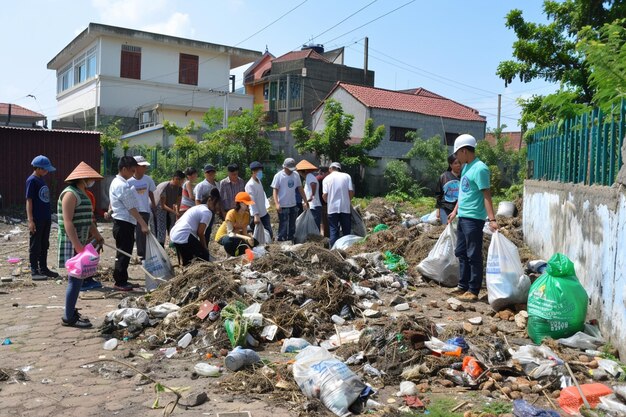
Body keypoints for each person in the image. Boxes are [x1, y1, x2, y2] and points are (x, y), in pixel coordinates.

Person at [448, 134, 499, 301]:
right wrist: (455, 210)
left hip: (474, 219)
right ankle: (463, 286)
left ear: (464, 151)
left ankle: (473, 289)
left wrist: (492, 220)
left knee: (473, 254)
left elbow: (486, 195)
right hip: (462, 217)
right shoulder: (466, 167)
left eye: (457, 154)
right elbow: (463, 193)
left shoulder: (480, 168)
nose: (456, 157)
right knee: (461, 252)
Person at [58, 162, 105, 328]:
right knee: (75, 279)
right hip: (72, 241)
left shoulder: (83, 193)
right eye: (90, 178)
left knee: (78, 279)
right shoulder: (70, 194)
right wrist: (78, 246)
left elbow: (88, 219)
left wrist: (98, 236)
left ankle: (70, 313)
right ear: (83, 178)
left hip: (82, 240)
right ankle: (68, 317)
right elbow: (68, 222)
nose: (92, 180)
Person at [108, 156, 149, 291]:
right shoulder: (121, 185)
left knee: (125, 251)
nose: (133, 173)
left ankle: (123, 279)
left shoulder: (118, 182)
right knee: (124, 253)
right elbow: (131, 207)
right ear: (124, 169)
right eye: (132, 170)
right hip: (123, 223)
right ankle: (120, 282)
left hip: (124, 223)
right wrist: (143, 223)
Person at [26, 155, 59, 280]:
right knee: (35, 245)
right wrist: (30, 220)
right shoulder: (32, 180)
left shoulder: (41, 180)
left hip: (46, 217)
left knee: (45, 243)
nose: (47, 171)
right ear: (38, 168)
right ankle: (34, 270)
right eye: (45, 169)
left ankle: (43, 268)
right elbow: (29, 201)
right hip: (37, 218)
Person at [170, 191, 218, 266]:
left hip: (175, 233)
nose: (217, 207)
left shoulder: (198, 207)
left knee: (188, 262)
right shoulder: (207, 212)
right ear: (209, 200)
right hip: (184, 234)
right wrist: (205, 249)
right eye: (216, 204)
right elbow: (200, 233)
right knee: (204, 257)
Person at [271, 158, 308, 242]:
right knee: (283, 224)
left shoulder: (296, 175)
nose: (291, 171)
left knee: (292, 224)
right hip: (283, 205)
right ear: (285, 167)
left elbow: (300, 188)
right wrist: (277, 203)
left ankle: (291, 239)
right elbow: (275, 190)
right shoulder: (278, 176)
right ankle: (281, 240)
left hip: (293, 204)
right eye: (289, 169)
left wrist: (305, 201)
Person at [127, 155, 156, 261]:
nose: (145, 168)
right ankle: (128, 255)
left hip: (144, 210)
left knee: (141, 233)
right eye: (142, 166)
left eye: (145, 166)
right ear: (136, 167)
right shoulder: (128, 181)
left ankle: (142, 254)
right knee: (131, 233)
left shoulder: (148, 180)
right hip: (132, 211)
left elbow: (151, 192)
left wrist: (153, 205)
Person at [215, 192, 257, 256]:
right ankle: (231, 254)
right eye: (246, 204)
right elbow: (230, 233)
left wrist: (250, 238)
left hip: (236, 235)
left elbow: (244, 232)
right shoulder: (231, 213)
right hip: (224, 236)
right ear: (240, 203)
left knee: (255, 242)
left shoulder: (246, 215)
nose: (248, 206)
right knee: (229, 241)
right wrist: (245, 238)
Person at [322, 162, 354, 247]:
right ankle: (347, 248)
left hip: (332, 208)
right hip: (345, 208)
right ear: (339, 169)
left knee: (333, 230)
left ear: (330, 169)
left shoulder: (326, 179)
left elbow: (325, 195)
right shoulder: (347, 176)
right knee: (346, 230)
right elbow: (351, 192)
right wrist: (347, 200)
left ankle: (333, 250)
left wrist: (328, 201)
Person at [154, 171, 184, 246]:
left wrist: (177, 211)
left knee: (172, 224)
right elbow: (162, 205)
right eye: (181, 181)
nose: (182, 183)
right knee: (161, 228)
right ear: (176, 179)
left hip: (170, 207)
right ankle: (160, 245)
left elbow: (178, 201)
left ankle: (173, 243)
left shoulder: (179, 188)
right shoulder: (165, 187)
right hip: (158, 207)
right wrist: (174, 212)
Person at [194, 164, 224, 240]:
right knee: (201, 230)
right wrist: (200, 213)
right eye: (208, 172)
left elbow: (219, 199)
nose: (210, 174)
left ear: (215, 173)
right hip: (203, 211)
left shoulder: (218, 185)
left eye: (212, 172)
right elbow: (197, 200)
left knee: (208, 230)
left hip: (212, 211)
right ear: (205, 174)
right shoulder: (201, 185)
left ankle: (205, 246)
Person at [245, 161, 273, 239]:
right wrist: (256, 215)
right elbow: (251, 201)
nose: (260, 173)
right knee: (256, 236)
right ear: (253, 171)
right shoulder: (250, 185)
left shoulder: (258, 181)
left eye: (261, 171)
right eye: (258, 171)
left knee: (268, 233)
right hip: (256, 215)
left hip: (263, 212)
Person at [435, 154, 461, 225]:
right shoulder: (444, 176)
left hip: (460, 208)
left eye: (459, 163)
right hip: (445, 207)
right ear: (450, 165)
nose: (458, 165)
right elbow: (438, 194)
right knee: (447, 228)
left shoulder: (463, 177)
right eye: (455, 163)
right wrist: (438, 210)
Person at [296, 160, 322, 230]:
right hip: (312, 205)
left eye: (300, 172)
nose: (299, 174)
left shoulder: (309, 176)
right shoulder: (309, 177)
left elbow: (313, 184)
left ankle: (316, 238)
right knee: (312, 225)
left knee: (314, 225)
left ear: (303, 171)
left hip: (314, 205)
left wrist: (312, 196)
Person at [316, 166, 330, 237]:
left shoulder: (316, 178)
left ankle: (321, 236)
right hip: (323, 203)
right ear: (325, 172)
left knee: (321, 222)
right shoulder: (323, 179)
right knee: (325, 222)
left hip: (317, 203)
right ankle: (326, 238)